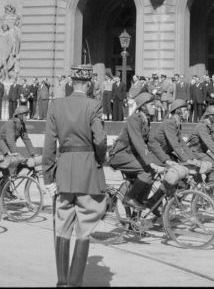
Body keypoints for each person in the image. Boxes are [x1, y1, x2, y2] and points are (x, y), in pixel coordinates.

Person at [42, 65, 108, 288]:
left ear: (71, 83)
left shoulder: (56, 105)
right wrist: (100, 159)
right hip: (87, 169)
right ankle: (75, 282)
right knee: (85, 225)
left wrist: (48, 178)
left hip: (63, 172)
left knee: (62, 225)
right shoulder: (93, 105)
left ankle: (62, 282)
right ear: (88, 84)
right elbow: (99, 140)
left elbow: (49, 145)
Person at [108, 92, 165, 210]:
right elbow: (138, 142)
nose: (154, 107)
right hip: (120, 155)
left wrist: (166, 160)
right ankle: (129, 198)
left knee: (152, 173)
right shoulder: (134, 119)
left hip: (131, 155)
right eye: (151, 105)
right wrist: (151, 163)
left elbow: (152, 143)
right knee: (147, 172)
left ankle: (140, 200)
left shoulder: (145, 120)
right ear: (143, 106)